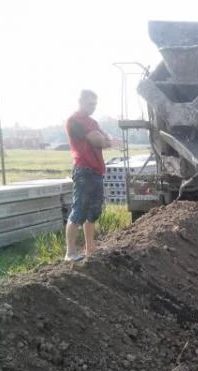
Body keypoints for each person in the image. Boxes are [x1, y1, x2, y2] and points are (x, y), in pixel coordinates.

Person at [64, 90, 111, 261]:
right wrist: (100, 138)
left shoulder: (92, 122)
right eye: (90, 104)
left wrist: (101, 138)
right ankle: (70, 252)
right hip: (84, 170)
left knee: (94, 211)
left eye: (95, 104)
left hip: (97, 171)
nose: (93, 107)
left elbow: (106, 141)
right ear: (81, 102)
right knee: (79, 212)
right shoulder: (74, 121)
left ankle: (90, 248)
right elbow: (99, 141)